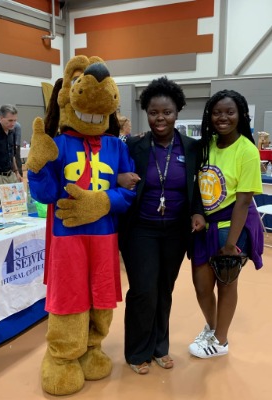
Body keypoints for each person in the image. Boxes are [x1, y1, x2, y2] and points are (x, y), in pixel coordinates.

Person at [118, 76, 205, 375]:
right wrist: (118, 179)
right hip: (141, 229)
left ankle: (159, 347)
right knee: (143, 290)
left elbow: (198, 188)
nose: (160, 118)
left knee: (164, 289)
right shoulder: (134, 145)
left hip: (176, 232)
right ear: (146, 112)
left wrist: (197, 212)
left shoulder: (192, 148)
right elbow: (114, 173)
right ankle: (137, 351)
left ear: (177, 111)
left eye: (166, 112)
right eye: (154, 112)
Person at [189, 89, 264, 359]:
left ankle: (221, 340)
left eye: (229, 112)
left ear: (240, 115)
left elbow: (243, 202)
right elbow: (197, 186)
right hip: (204, 226)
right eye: (217, 112)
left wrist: (231, 244)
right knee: (201, 286)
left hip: (232, 226)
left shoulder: (247, 150)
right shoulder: (206, 145)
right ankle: (212, 326)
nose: (223, 117)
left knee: (226, 282)